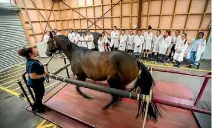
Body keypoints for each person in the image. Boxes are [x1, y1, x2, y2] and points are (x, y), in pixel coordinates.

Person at [18, 47, 48, 113]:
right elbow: (33, 76)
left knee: (39, 95)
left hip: (36, 82)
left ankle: (37, 106)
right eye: (34, 51)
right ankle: (39, 109)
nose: (36, 51)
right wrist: (44, 74)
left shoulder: (31, 61)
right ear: (30, 54)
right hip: (36, 83)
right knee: (39, 95)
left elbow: (37, 68)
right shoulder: (33, 63)